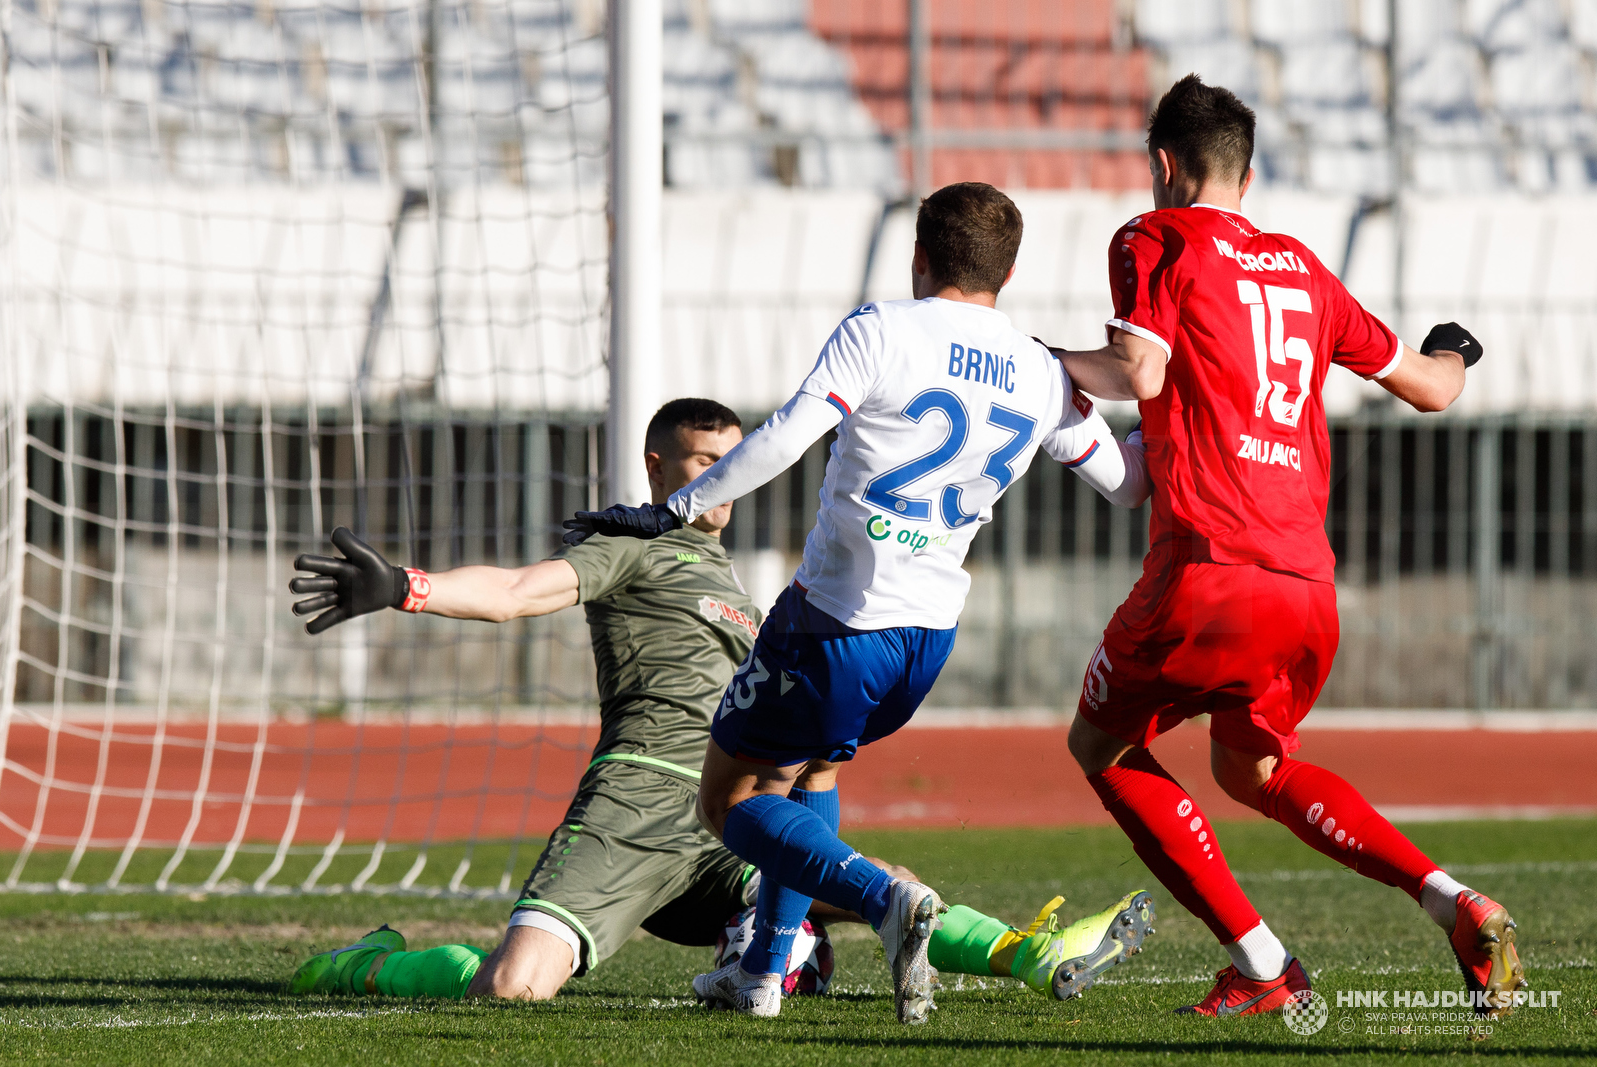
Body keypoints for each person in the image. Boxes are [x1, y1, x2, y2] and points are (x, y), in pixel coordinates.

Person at [283, 398, 1148, 1005]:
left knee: (893, 886)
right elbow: (519, 589)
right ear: (660, 466)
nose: (724, 476)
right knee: (509, 986)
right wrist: (407, 585)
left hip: (731, 818)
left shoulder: (738, 579)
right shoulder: (635, 543)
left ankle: (1032, 954)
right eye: (704, 460)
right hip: (635, 803)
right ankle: (373, 963)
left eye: (733, 458)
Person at [562, 183, 1156, 1023]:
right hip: (928, 640)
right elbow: (1130, 485)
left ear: (918, 256)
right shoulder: (1039, 370)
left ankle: (886, 898)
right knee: (814, 767)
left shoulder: (882, 331)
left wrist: (673, 509)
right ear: (1010, 270)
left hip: (836, 620)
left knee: (728, 798)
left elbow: (783, 436)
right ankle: (761, 975)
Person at [1046, 75, 1525, 1019]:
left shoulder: (1153, 238)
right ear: (1250, 175)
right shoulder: (1302, 267)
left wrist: (1019, 356)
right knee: (1251, 769)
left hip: (1207, 567)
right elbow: (1431, 389)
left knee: (1099, 742)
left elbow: (1133, 366)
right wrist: (1458, 352)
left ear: (1164, 166)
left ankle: (1266, 964)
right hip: (1306, 581)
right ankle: (1455, 901)